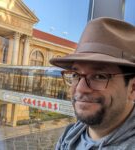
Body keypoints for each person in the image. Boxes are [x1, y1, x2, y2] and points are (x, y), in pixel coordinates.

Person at [50, 17, 135, 150]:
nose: (80, 88)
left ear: (133, 89)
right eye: (75, 75)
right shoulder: (71, 134)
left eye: (99, 76)